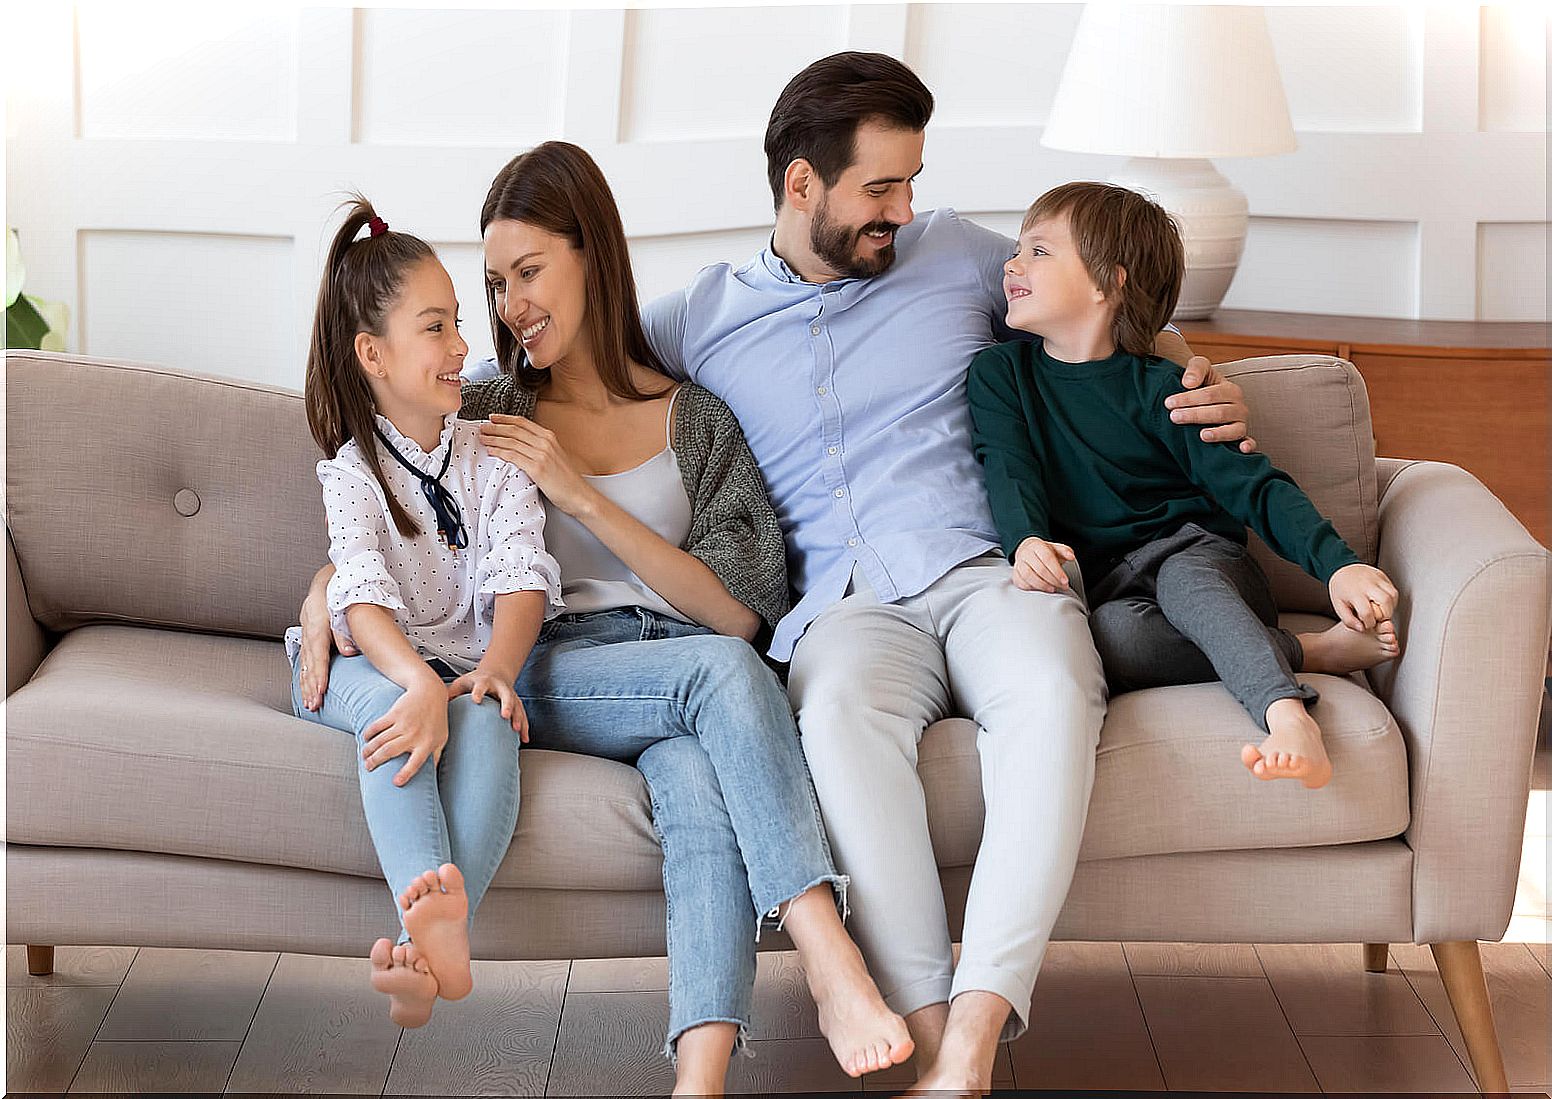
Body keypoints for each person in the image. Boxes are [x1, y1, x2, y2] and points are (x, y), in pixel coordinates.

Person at [637, 52, 1256, 1092]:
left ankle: (977, 1027)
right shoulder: (696, 316)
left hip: (989, 571)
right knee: (834, 725)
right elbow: (532, 371)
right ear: (801, 185)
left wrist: (1207, 386)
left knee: (1058, 692)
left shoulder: (962, 256)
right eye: (879, 189)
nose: (903, 208)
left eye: (911, 182)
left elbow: (1115, 329)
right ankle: (927, 1034)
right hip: (841, 613)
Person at [298, 143, 911, 1096]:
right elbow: (396, 496)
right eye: (494, 283)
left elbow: (742, 613)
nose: (509, 307)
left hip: (683, 682)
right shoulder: (491, 407)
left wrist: (579, 495)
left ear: (594, 255)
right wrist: (325, 583)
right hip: (552, 665)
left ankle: (698, 1079)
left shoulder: (696, 418)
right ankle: (829, 956)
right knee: (717, 677)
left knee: (702, 782)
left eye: (529, 273)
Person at [967, 181, 1401, 790]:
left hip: (1199, 557)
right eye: (1018, 248)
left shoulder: (1168, 390)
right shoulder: (1001, 375)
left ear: (1107, 283)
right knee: (1113, 639)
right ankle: (1311, 651)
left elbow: (1257, 487)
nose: (1013, 263)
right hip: (1110, 587)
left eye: (1040, 251)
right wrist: (1026, 540)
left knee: (1186, 575)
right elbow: (1007, 464)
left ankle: (1288, 715)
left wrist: (1339, 568)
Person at [288, 197, 562, 1029]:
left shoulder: (493, 452)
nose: (463, 348)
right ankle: (438, 936)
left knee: (483, 718)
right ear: (373, 353)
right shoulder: (352, 471)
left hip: (449, 658)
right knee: (393, 711)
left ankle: (429, 949)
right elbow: (359, 591)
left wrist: (495, 673)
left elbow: (522, 571)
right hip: (357, 660)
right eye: (436, 327)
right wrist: (413, 681)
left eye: (457, 325)